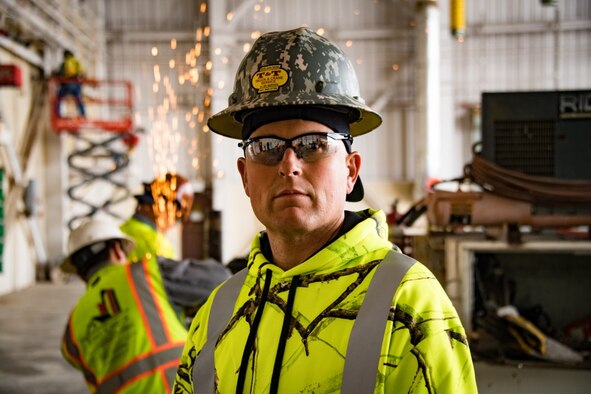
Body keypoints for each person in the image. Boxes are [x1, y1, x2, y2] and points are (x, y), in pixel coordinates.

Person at [173, 27, 477, 393]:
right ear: (245, 177)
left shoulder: (411, 304)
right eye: (266, 147)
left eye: (313, 145)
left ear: (350, 170)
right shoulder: (218, 313)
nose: (288, 165)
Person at [60, 218, 230, 393]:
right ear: (118, 250)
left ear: (80, 274)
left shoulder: (72, 326)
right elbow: (218, 277)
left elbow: (73, 357)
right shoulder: (146, 273)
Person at [120, 172, 194, 262]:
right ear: (164, 207)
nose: (173, 223)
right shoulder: (159, 247)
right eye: (176, 217)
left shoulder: (119, 231)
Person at [55, 49, 86, 118]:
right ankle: (83, 114)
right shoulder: (76, 62)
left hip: (66, 84)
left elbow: (60, 73)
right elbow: (83, 73)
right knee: (79, 99)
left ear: (66, 55)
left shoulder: (66, 62)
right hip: (75, 84)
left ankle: (57, 114)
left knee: (58, 98)